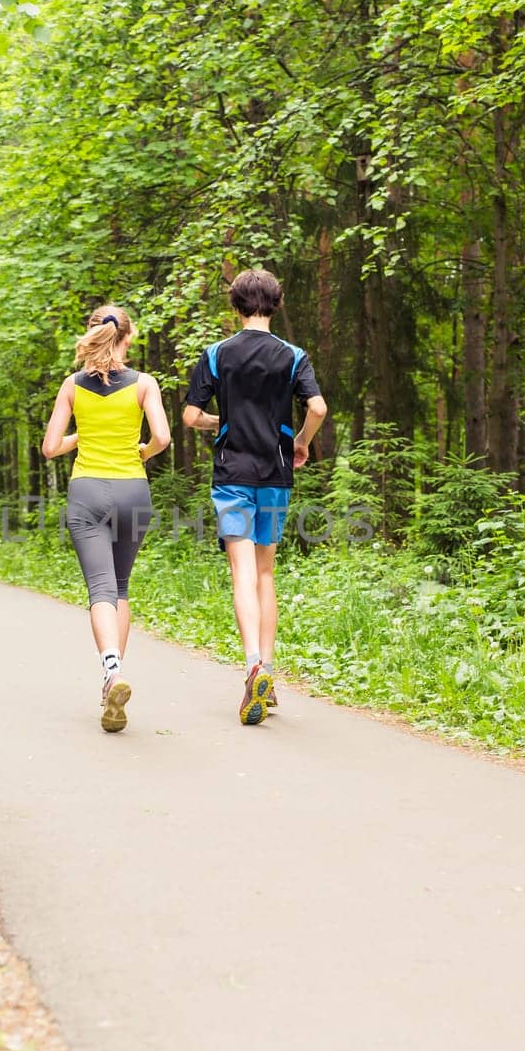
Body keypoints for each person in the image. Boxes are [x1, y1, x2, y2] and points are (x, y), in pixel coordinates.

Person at [182, 269, 327, 726]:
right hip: (275, 472)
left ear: (236, 306)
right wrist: (300, 441)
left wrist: (218, 423)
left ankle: (252, 665)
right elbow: (318, 407)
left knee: (241, 571)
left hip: (232, 474)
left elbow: (190, 416)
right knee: (266, 571)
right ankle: (268, 668)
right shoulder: (293, 355)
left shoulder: (216, 354)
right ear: (276, 304)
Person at [41, 305, 171, 733]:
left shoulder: (72, 386)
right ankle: (113, 675)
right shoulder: (144, 384)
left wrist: (84, 435)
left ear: (93, 334)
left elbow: (50, 447)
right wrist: (144, 452)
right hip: (133, 490)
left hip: (87, 493)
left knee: (99, 588)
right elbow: (163, 438)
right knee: (120, 587)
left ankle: (111, 671)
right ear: (127, 338)